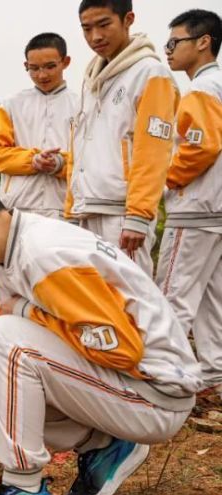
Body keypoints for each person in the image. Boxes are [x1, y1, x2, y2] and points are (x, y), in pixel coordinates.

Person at [0, 159, 200, 495]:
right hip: (124, 387)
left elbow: (121, 349)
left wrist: (13, 322)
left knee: (6, 339)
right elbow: (39, 330)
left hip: (158, 395)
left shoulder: (44, 253)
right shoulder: (6, 266)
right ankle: (105, 447)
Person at [67, 0, 180, 275]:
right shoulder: (92, 78)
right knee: (96, 300)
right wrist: (71, 208)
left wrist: (139, 215)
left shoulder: (151, 73)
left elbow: (154, 150)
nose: (95, 36)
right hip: (88, 207)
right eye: (87, 28)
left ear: (128, 19)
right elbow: (78, 146)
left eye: (104, 24)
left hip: (122, 212)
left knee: (129, 301)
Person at [157, 8, 222, 393]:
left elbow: (201, 146)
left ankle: (166, 384)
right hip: (216, 211)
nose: (168, 50)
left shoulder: (200, 89)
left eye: (173, 42)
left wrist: (166, 181)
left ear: (203, 42)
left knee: (172, 297)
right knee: (212, 301)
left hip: (195, 209)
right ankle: (214, 377)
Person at [0, 32, 78, 219]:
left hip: (65, 209)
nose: (42, 75)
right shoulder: (10, 104)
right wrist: (33, 160)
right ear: (25, 66)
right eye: (34, 68)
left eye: (50, 66)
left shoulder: (83, 105)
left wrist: (60, 163)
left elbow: (91, 160)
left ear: (65, 62)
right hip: (17, 208)